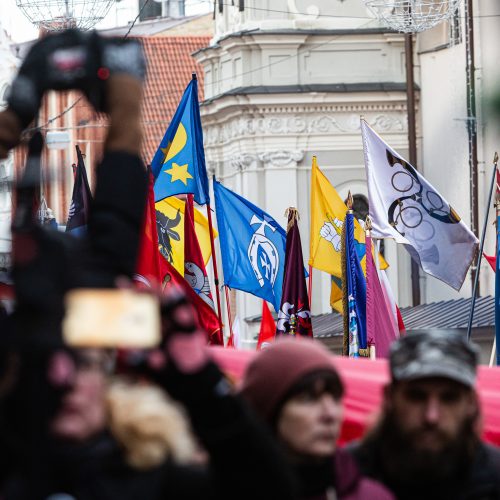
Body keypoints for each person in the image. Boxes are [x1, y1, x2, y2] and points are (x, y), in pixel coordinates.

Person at [0, 29, 298, 500]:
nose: (63, 380)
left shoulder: (151, 483)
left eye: (83, 361)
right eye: (41, 362)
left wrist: (202, 387)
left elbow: (269, 489)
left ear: (110, 369)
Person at [349, 331, 500, 500]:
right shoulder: (344, 478)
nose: (431, 417)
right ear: (389, 397)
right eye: (416, 397)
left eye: (449, 398)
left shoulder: (495, 477)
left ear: (471, 403)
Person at [240, 337, 394, 500]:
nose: (330, 414)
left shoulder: (373, 496)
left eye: (335, 398)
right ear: (268, 410)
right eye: (308, 398)